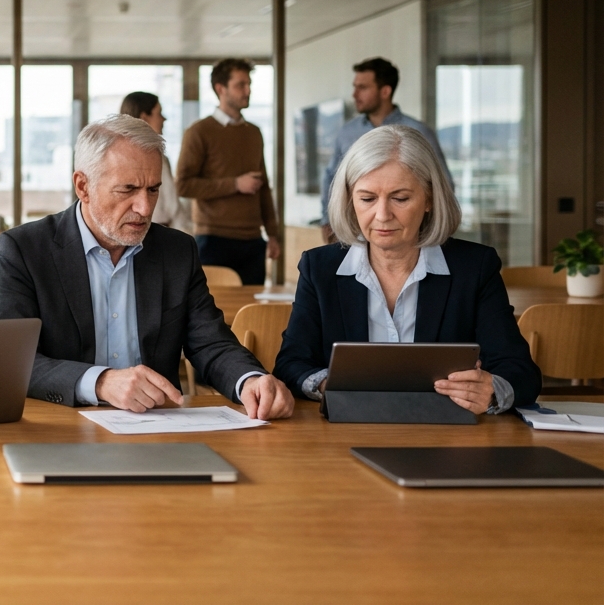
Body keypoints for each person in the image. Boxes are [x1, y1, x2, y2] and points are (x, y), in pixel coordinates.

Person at [0, 115, 293, 420]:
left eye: (153, 190)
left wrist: (249, 380)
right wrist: (100, 382)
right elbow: (9, 359)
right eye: (128, 189)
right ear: (83, 186)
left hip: (159, 427)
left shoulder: (178, 251)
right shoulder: (24, 250)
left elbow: (210, 342)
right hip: (59, 427)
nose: (145, 209)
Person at [273, 125, 539, 414]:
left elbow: (520, 372)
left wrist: (490, 391)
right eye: (367, 199)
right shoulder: (319, 268)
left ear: (429, 199)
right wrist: (331, 384)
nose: (383, 215)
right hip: (345, 430)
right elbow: (290, 365)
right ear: (350, 200)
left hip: (447, 439)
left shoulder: (475, 268)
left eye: (400, 198)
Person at [320, 57, 450, 244]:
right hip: (353, 237)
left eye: (363, 88)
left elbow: (441, 184)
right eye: (355, 87)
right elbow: (331, 178)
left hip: (408, 239)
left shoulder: (419, 132)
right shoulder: (347, 132)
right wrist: (327, 220)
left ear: (385, 91)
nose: (355, 94)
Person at [176, 58, 279, 285]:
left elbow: (264, 187)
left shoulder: (254, 133)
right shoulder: (198, 132)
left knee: (252, 314)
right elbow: (183, 185)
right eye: (240, 85)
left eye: (249, 84)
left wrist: (272, 234)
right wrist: (235, 184)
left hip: (253, 241)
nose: (248, 90)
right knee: (213, 314)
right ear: (220, 89)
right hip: (213, 240)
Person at [120, 91, 187, 232]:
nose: (164, 119)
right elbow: (172, 206)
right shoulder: (154, 159)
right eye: (159, 113)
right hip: (151, 232)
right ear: (144, 118)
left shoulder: (118, 157)